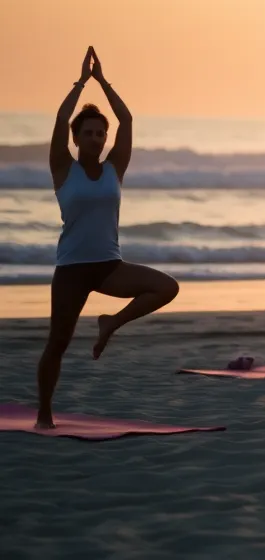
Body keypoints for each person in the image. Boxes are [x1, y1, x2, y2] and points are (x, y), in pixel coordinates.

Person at [38, 47, 180, 429]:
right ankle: (44, 413)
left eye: (101, 133)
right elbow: (60, 117)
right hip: (71, 269)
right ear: (77, 137)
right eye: (89, 133)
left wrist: (104, 82)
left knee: (166, 287)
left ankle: (110, 324)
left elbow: (127, 119)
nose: (97, 138)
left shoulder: (115, 167)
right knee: (58, 343)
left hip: (109, 266)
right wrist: (81, 82)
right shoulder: (62, 167)